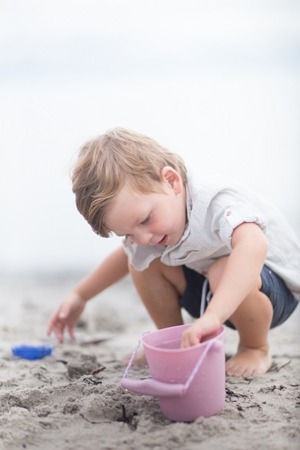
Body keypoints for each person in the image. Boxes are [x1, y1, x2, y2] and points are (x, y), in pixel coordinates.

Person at [47, 127, 300, 377]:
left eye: (145, 219)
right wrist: (80, 295)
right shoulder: (150, 231)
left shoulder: (215, 200)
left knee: (221, 270)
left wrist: (213, 316)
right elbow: (125, 257)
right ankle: (176, 343)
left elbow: (253, 245)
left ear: (171, 181)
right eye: (128, 234)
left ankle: (255, 347)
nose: (143, 237)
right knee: (142, 262)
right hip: (214, 295)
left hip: (273, 292)